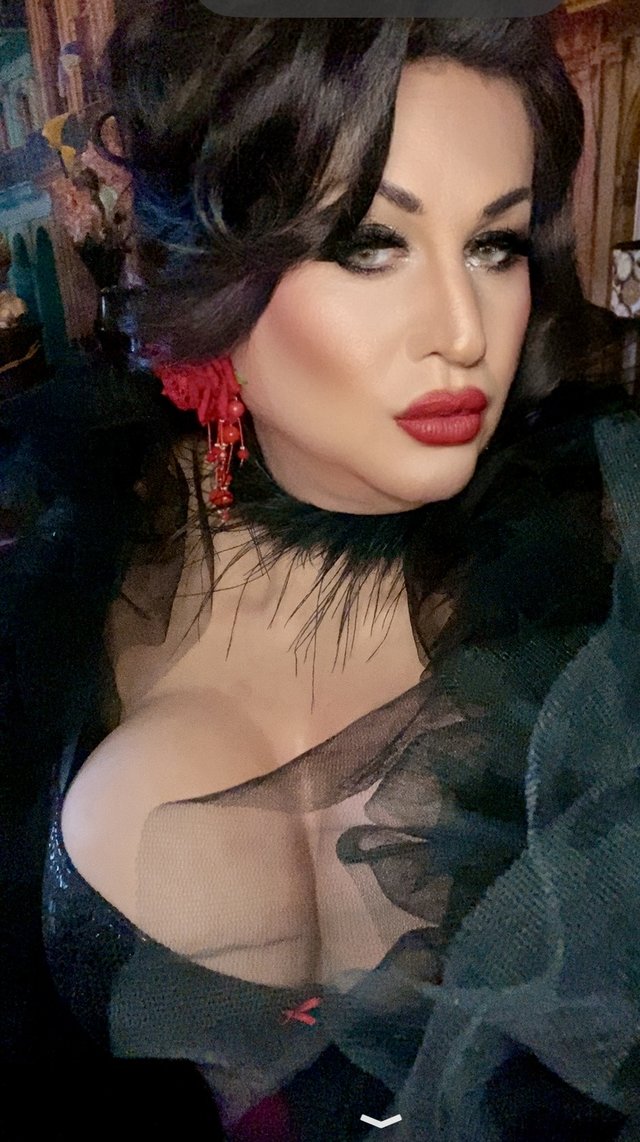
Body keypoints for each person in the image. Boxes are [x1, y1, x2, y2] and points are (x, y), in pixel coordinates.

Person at [1, 6, 638, 1139]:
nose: (463, 331)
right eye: (369, 243)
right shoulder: (66, 558)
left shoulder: (598, 562)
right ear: (214, 272)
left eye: (493, 246)